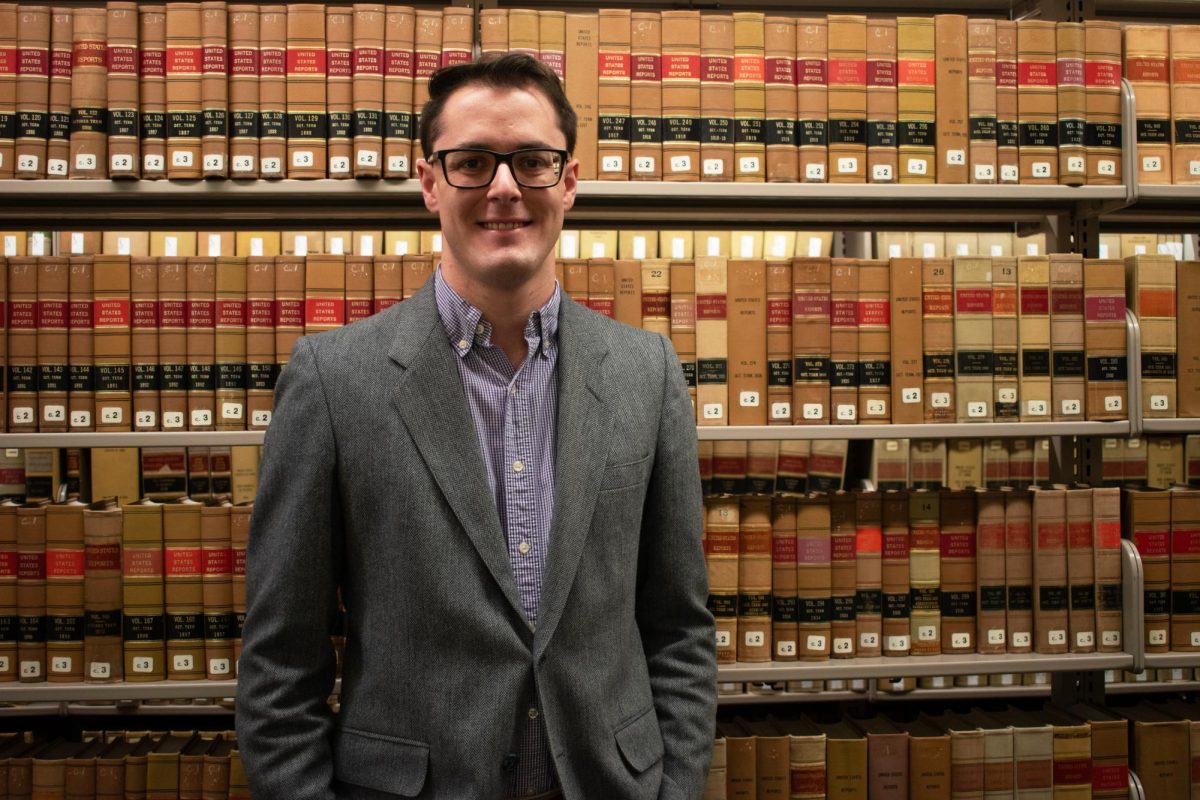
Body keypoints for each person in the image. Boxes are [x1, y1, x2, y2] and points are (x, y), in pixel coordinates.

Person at [236, 53, 716, 799]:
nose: (502, 189)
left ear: (569, 181)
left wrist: (675, 788)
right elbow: (280, 665)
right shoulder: (333, 382)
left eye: (531, 161)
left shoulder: (645, 373)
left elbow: (678, 628)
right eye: (471, 163)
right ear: (430, 182)